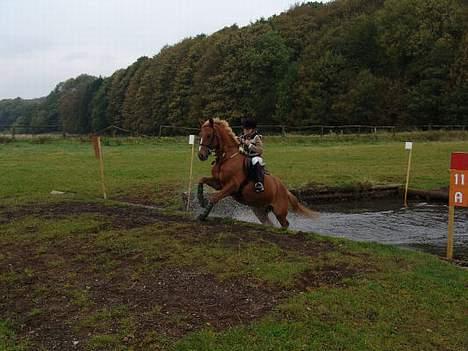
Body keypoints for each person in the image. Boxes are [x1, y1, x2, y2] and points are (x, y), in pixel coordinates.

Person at [238, 117, 265, 193]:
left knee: (255, 160)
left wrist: (249, 145)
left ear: (252, 129)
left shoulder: (256, 137)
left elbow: (260, 150)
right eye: (244, 129)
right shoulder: (242, 137)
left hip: (255, 156)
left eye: (247, 129)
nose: (245, 131)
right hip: (245, 156)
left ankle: (259, 183)